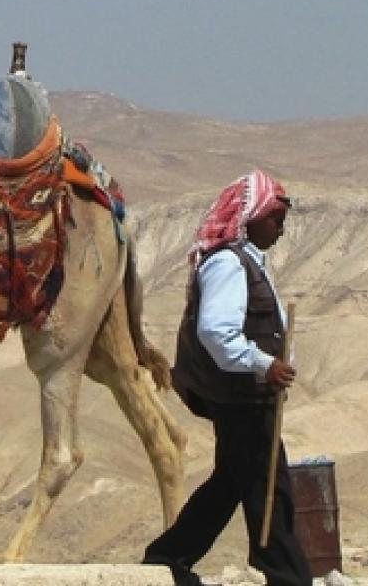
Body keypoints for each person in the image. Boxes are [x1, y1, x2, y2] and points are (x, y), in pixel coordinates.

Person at [142, 170, 312, 586]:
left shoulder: (249, 261)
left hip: (250, 396)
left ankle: (167, 558)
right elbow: (216, 331)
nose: (281, 229)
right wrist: (263, 364)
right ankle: (286, 575)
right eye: (275, 219)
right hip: (241, 397)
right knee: (270, 489)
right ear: (250, 216)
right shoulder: (227, 265)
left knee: (233, 483)